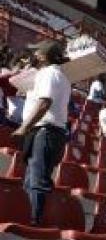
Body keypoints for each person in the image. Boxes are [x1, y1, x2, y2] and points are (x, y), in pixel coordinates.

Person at [13, 40, 70, 225]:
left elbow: (45, 103)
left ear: (44, 56)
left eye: (36, 52)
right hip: (52, 133)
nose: (34, 55)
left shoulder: (48, 73)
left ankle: (34, 222)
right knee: (33, 179)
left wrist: (24, 127)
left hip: (44, 131)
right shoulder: (59, 75)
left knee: (36, 180)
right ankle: (32, 219)